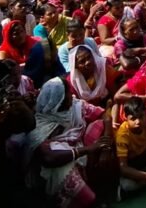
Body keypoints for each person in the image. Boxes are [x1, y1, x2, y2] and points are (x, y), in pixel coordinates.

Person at [23, 77, 115, 207]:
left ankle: (100, 186)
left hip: (79, 150)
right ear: (59, 98)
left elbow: (105, 116)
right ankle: (86, 200)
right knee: (61, 168)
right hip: (56, 163)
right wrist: (88, 149)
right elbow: (48, 157)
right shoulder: (39, 123)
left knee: (99, 127)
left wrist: (105, 148)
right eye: (67, 93)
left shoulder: (76, 106)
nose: (71, 95)